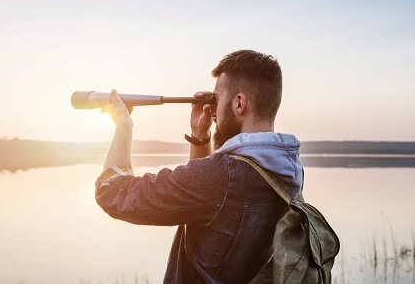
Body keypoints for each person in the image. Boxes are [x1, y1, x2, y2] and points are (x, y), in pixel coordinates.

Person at [96, 49, 303, 283]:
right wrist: (200, 135)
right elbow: (207, 201)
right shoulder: (285, 170)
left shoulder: (223, 178)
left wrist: (124, 124)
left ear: (239, 103)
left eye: (217, 98)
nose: (212, 109)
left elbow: (112, 192)